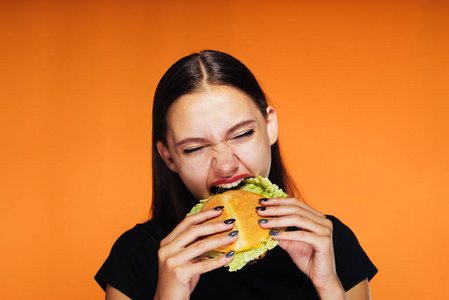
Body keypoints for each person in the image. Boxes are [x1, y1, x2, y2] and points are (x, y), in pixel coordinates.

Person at [95, 50, 377, 300]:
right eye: (194, 148)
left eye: (242, 134)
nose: (226, 166)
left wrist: (329, 288)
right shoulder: (137, 254)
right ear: (168, 156)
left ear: (269, 126)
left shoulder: (329, 241)